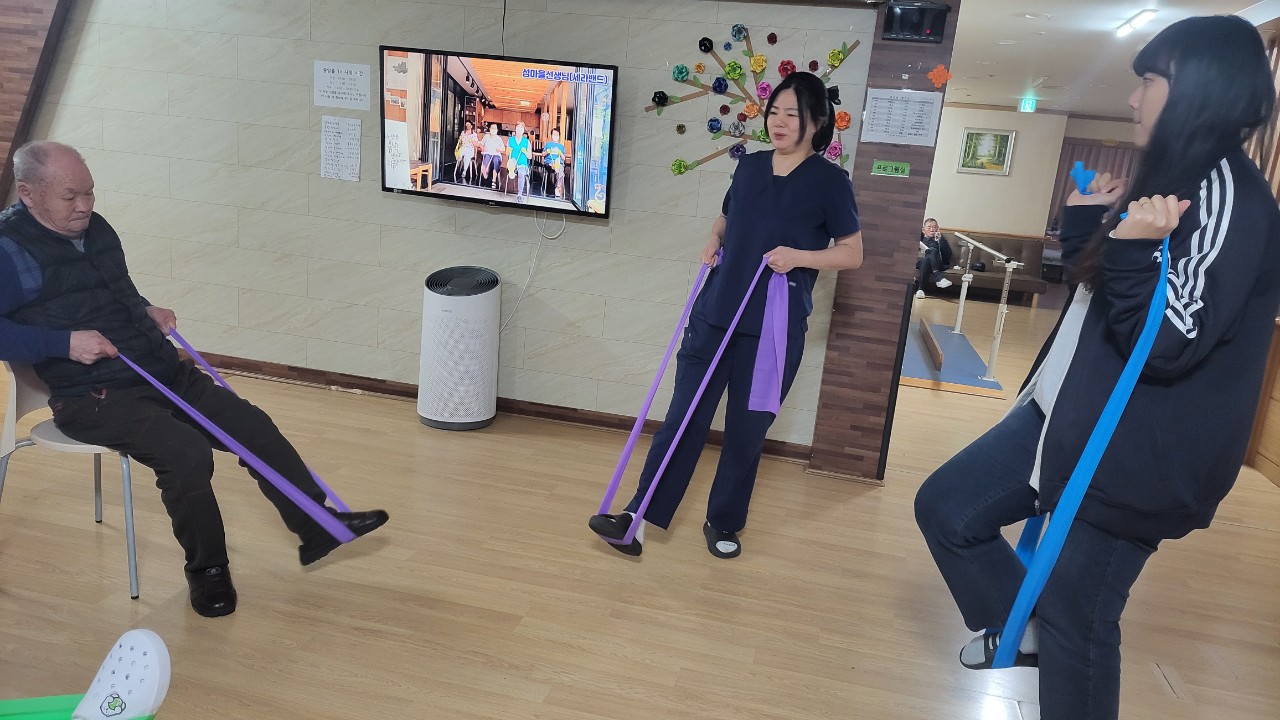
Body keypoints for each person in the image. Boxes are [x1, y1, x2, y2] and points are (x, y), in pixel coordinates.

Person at [913, 16, 1279, 720]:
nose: (1134, 99)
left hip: (1135, 455)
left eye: (1150, 81)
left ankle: (1045, 633)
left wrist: (1133, 248)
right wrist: (1089, 224)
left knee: (1078, 621)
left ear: (1200, 89)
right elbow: (1101, 300)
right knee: (949, 508)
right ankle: (1025, 631)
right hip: (1066, 417)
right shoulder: (1171, 179)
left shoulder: (1225, 193)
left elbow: (1169, 340)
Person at [0, 142, 390, 618]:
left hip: (159, 369)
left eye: (90, 192)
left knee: (251, 424)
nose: (84, 205)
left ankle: (316, 526)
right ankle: (208, 571)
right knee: (185, 452)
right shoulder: (8, 250)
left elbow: (112, 292)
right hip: (91, 395)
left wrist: (145, 309)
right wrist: (62, 344)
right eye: (70, 196)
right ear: (29, 194)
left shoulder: (95, 229)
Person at [589, 72, 863, 558]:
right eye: (774, 111)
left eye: (792, 114)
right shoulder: (750, 166)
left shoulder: (830, 182)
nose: (779, 122)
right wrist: (713, 239)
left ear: (818, 122)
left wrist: (799, 257)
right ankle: (637, 516)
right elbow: (727, 216)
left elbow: (851, 253)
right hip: (715, 314)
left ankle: (724, 522)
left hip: (772, 330)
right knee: (682, 421)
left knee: (745, 432)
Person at [914, 217, 953, 299]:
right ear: (923, 230)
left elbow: (948, 256)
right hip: (920, 262)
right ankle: (938, 277)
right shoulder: (920, 239)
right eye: (929, 227)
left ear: (937, 229)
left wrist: (940, 241)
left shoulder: (941, 239)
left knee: (930, 254)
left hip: (938, 263)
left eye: (934, 227)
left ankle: (920, 289)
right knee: (926, 258)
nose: (932, 230)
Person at [507, 122, 533, 203]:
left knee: (521, 173)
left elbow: (530, 156)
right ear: (515, 129)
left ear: (523, 130)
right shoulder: (510, 140)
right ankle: (512, 170)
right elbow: (507, 154)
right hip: (513, 162)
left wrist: (525, 152)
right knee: (512, 163)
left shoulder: (527, 142)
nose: (519, 129)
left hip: (522, 164)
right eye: (518, 127)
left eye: (521, 128)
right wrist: (508, 150)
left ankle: (519, 195)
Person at [543, 127, 567, 198]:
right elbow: (543, 154)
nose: (555, 136)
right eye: (554, 134)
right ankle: (558, 188)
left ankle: (558, 187)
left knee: (560, 167)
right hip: (549, 163)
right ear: (551, 135)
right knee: (559, 169)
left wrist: (560, 153)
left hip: (559, 163)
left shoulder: (561, 146)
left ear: (559, 136)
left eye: (557, 134)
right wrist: (547, 152)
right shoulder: (548, 144)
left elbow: (564, 158)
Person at [479, 123, 504, 190]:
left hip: (496, 154)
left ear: (497, 130)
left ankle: (494, 180)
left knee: (496, 160)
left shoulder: (499, 138)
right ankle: (485, 172)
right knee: (487, 157)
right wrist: (482, 147)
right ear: (489, 129)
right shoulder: (486, 136)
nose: (493, 130)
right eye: (492, 128)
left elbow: (503, 149)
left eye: (494, 128)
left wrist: (499, 149)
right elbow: (481, 144)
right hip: (487, 153)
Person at [454, 120, 478, 184]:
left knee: (467, 157)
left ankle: (464, 170)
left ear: (471, 126)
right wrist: (460, 139)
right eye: (466, 125)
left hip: (470, 149)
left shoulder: (474, 134)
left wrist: (472, 141)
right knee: (461, 153)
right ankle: (459, 158)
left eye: (469, 125)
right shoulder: (463, 133)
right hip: (463, 148)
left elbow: (476, 144)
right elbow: (460, 142)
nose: (467, 126)